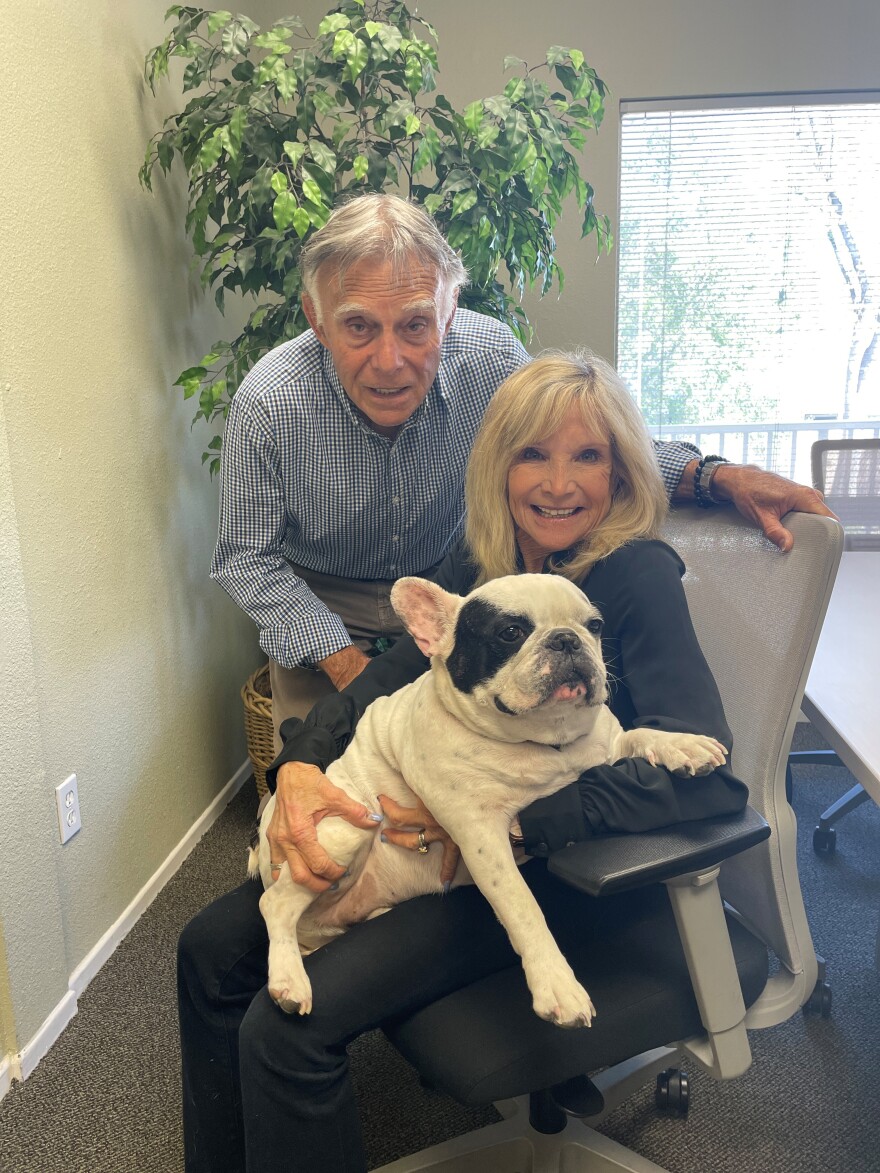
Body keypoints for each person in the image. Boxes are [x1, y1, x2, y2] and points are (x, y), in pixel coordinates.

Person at [180, 351, 758, 1173]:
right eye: (533, 454)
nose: (559, 483)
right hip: (424, 841)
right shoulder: (483, 560)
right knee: (208, 947)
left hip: (569, 877)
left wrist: (518, 823)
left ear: (621, 469)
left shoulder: (634, 574)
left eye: (588, 455)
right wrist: (298, 767)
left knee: (286, 1033)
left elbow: (713, 778)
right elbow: (383, 680)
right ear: (499, 466)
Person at [210, 194, 833, 754]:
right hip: (321, 602)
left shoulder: (492, 357)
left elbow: (579, 440)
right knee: (321, 780)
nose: (390, 360)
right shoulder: (270, 401)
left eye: (415, 325)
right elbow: (245, 556)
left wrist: (713, 476)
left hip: (453, 587)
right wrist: (346, 664)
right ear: (317, 321)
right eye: (358, 327)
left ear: (449, 312)